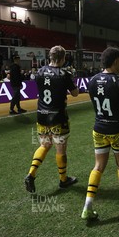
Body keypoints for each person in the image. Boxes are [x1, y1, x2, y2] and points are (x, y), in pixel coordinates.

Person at [81, 47, 119, 220]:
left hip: (99, 128)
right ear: (114, 62)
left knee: (98, 166)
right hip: (116, 129)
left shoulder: (92, 80)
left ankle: (87, 206)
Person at [24, 46, 79, 193]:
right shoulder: (64, 74)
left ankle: (31, 174)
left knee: (44, 145)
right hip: (58, 116)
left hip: (42, 114)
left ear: (49, 57)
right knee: (60, 150)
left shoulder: (40, 71)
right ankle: (63, 180)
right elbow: (75, 93)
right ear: (63, 58)